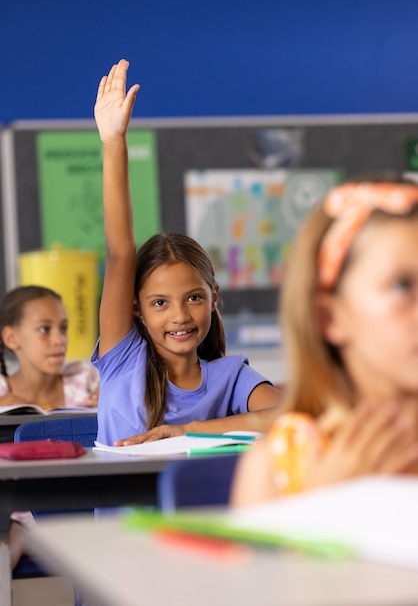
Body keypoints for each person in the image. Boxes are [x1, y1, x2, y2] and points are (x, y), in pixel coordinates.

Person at [92, 59, 283, 447]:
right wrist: (114, 143)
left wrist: (184, 431)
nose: (180, 316)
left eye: (194, 297)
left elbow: (291, 416)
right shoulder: (123, 358)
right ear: (135, 308)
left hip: (198, 510)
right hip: (126, 510)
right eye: (159, 303)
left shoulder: (229, 377)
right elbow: (120, 252)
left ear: (215, 298)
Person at [230, 176, 418, 507]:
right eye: (402, 286)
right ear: (330, 319)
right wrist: (321, 505)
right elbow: (264, 560)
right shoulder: (276, 469)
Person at [0, 284, 100, 569]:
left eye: (64, 328)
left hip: (82, 502)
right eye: (45, 329)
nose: (59, 340)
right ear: (11, 337)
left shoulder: (85, 380)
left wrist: (112, 401)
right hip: (18, 513)